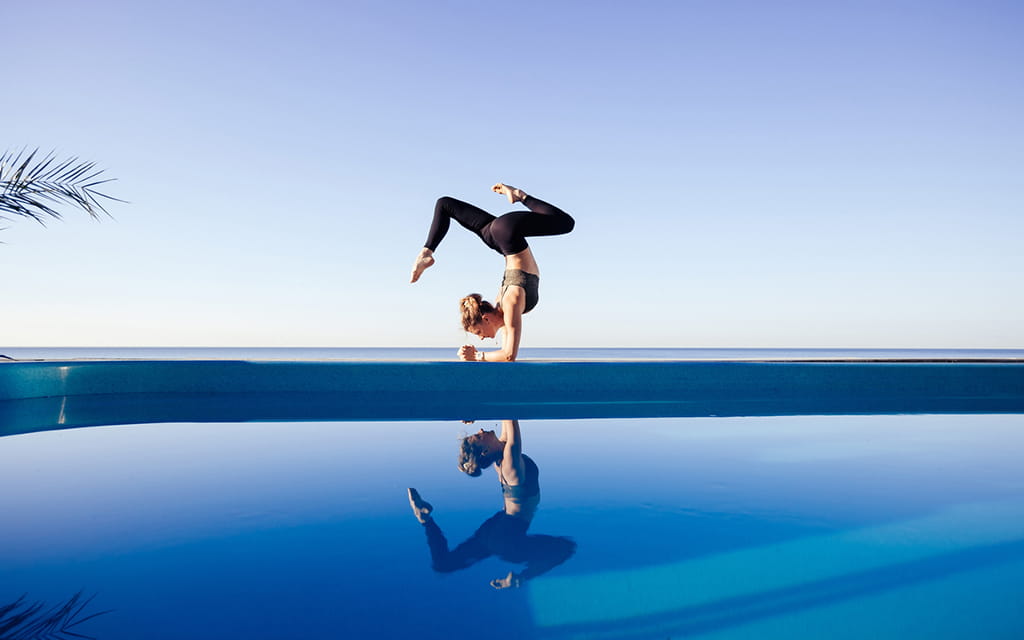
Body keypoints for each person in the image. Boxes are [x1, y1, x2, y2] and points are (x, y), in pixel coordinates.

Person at [409, 184, 575, 362]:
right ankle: (426, 252)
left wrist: (476, 356)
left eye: (478, 332)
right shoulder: (504, 309)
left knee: (566, 223)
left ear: (486, 319)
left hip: (507, 234)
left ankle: (520, 195)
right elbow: (505, 349)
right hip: (496, 237)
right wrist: (474, 356)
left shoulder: (509, 304)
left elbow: (509, 355)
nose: (481, 338)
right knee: (445, 204)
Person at [407, 419, 575, 589]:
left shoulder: (501, 455)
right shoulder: (510, 464)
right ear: (485, 451)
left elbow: (505, 423)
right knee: (566, 548)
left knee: (444, 564)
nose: (480, 429)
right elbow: (510, 416)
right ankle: (521, 579)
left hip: (500, 530)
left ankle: (425, 518)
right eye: (479, 436)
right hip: (504, 534)